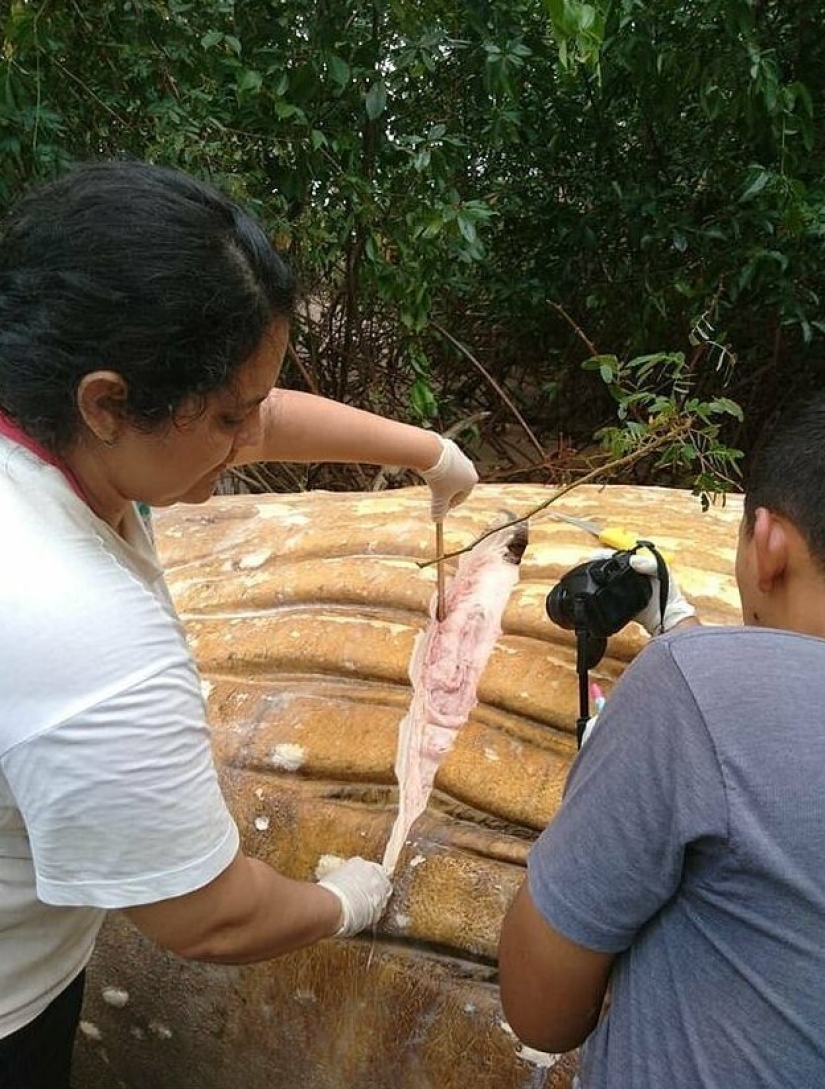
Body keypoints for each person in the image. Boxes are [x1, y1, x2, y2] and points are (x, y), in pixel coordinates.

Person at [0, 160, 478, 1089]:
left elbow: (257, 418)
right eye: (226, 417)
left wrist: (428, 451)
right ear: (105, 401)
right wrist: (337, 901)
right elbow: (203, 913)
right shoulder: (81, 624)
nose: (245, 440)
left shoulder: (39, 403)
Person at [498, 394, 825, 1087]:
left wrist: (643, 737)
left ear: (766, 543)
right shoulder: (701, 687)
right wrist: (678, 624)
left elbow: (538, 1013)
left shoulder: (685, 693)